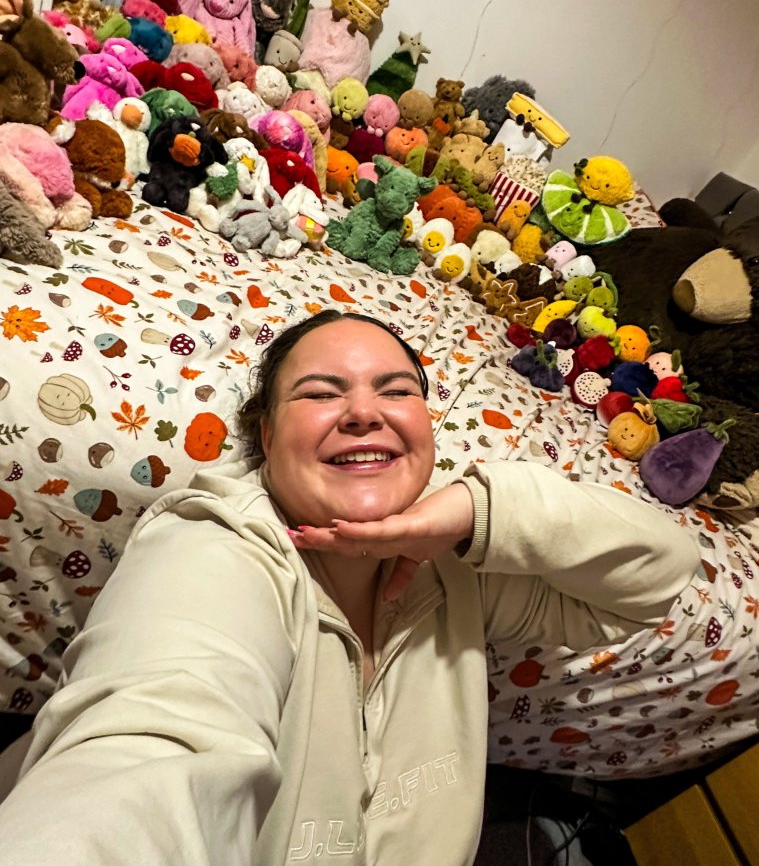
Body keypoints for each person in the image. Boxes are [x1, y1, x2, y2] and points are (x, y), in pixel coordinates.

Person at [0, 311, 699, 865]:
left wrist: (475, 511)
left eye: (397, 391)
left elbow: (659, 576)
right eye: (320, 393)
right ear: (266, 436)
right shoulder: (214, 548)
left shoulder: (460, 572)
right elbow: (148, 758)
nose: (366, 413)